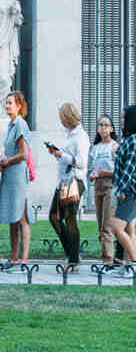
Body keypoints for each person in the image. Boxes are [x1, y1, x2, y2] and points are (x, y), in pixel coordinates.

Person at [45, 102, 88, 272]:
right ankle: (72, 253)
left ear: (67, 117)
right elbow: (67, 158)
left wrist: (61, 155)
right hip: (63, 181)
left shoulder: (80, 136)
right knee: (54, 217)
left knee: (70, 218)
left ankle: (74, 261)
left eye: (62, 118)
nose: (60, 121)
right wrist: (58, 154)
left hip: (74, 181)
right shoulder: (69, 134)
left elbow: (82, 162)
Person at [0, 90, 32, 265]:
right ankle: (13, 257)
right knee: (12, 216)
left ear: (19, 106)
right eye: (7, 102)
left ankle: (23, 258)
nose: (7, 105)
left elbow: (23, 154)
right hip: (10, 174)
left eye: (11, 103)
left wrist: (7, 161)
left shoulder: (20, 125)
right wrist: (1, 164)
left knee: (21, 217)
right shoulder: (11, 125)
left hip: (17, 175)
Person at [106, 106, 136, 265]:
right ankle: (129, 266)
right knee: (129, 230)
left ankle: (134, 264)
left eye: (124, 118)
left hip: (129, 192)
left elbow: (129, 170)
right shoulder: (129, 140)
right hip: (129, 191)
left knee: (116, 228)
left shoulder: (132, 141)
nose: (122, 121)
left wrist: (121, 190)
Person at [91, 114, 120, 267]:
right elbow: (94, 168)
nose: (102, 128)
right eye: (100, 125)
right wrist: (92, 174)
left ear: (111, 128)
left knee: (107, 226)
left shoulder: (115, 146)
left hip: (110, 187)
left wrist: (105, 173)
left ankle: (108, 260)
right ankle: (104, 258)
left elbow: (119, 171)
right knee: (100, 226)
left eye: (106, 125)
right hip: (97, 187)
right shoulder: (95, 148)